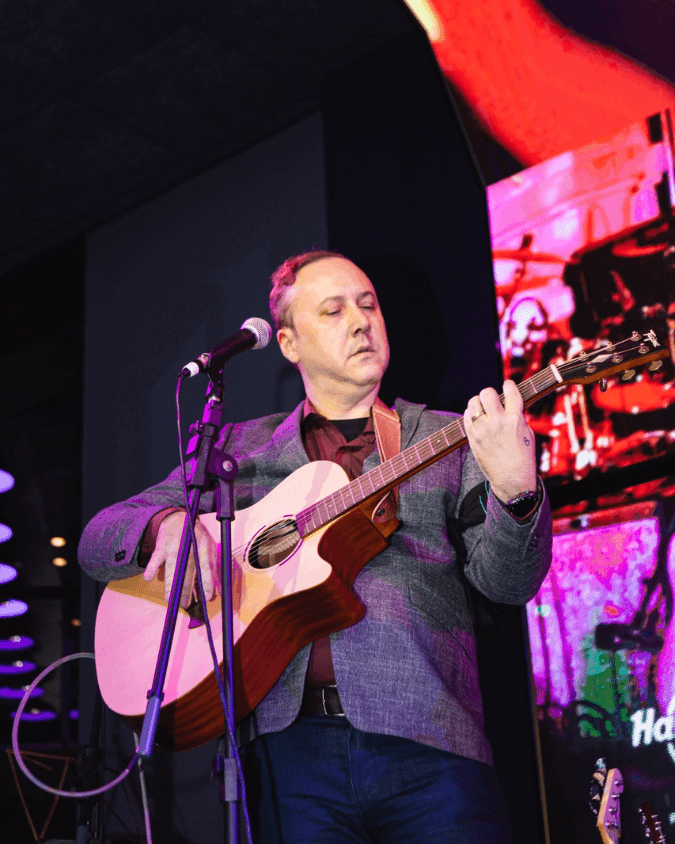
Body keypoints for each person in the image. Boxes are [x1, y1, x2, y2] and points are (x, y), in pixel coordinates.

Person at [79, 250, 552, 843]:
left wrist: (517, 492)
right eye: (333, 310)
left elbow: (511, 583)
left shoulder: (449, 435)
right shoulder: (237, 449)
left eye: (368, 304)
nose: (360, 321)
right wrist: (166, 525)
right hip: (285, 756)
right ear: (288, 342)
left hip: (430, 741)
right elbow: (99, 537)